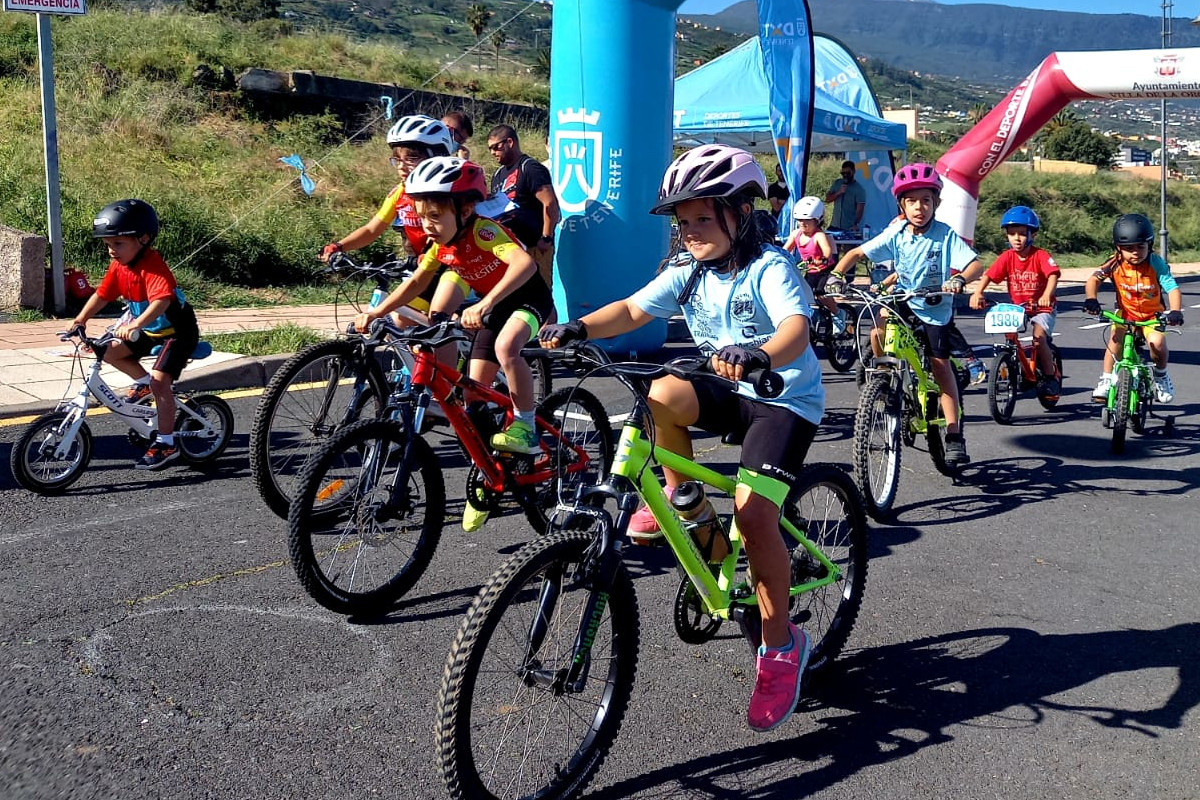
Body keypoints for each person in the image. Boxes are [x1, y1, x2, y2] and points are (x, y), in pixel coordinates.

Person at [539, 144, 825, 733]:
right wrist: (578, 325)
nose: (691, 230)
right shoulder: (687, 272)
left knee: (752, 517)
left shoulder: (770, 266)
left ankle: (780, 647)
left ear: (740, 214)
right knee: (662, 392)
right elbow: (630, 310)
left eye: (703, 217)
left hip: (782, 399)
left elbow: (797, 328)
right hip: (730, 390)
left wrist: (760, 353)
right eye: (683, 220)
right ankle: (682, 497)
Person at [353, 157, 554, 531]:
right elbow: (415, 285)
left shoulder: (483, 232)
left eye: (434, 216)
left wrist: (485, 302)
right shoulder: (439, 247)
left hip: (526, 302)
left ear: (464, 210)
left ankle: (526, 426)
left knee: (507, 348)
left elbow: (524, 265)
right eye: (421, 216)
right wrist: (380, 312)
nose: (426, 225)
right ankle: (488, 477)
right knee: (473, 397)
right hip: (488, 311)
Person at [828, 162, 983, 466]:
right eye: (912, 201)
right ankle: (884, 380)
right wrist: (835, 275)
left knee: (940, 367)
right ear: (902, 204)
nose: (919, 207)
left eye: (926, 200)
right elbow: (856, 253)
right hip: (904, 300)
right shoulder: (897, 232)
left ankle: (954, 434)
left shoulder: (944, 234)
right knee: (877, 330)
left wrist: (959, 280)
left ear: (936, 203)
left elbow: (975, 265)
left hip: (935, 307)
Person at [69, 199, 200, 470]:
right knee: (108, 351)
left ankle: (166, 442)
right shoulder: (120, 266)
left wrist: (136, 324)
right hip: (149, 331)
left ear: (143, 239)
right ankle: (142, 381)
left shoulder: (153, 265)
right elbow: (103, 294)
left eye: (118, 244)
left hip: (177, 334)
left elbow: (161, 301)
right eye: (107, 245)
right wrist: (80, 319)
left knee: (160, 382)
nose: (111, 251)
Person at [320, 114, 457, 325]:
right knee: (402, 323)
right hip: (419, 270)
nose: (402, 166)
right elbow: (372, 229)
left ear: (435, 157)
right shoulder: (399, 193)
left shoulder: (449, 195)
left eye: (411, 158)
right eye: (397, 158)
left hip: (451, 269)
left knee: (427, 323)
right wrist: (339, 247)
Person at [1083, 213, 1184, 403]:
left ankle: (1161, 376)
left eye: (1140, 247)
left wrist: (1176, 311)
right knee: (1115, 341)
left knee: (1157, 344)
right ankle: (1106, 379)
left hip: (1151, 316)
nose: (1135, 252)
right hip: (1126, 314)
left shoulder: (1155, 263)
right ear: (1118, 249)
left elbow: (1172, 288)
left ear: (1150, 245)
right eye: (1128, 248)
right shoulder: (1114, 262)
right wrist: (1091, 299)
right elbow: (1093, 280)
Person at [969, 205, 1062, 399]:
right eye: (1012, 234)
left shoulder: (1040, 256)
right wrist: (978, 292)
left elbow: (1053, 275)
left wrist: (1046, 294)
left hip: (1042, 307)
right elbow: (989, 276)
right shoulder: (1007, 257)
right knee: (1011, 340)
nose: (1016, 238)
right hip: (1019, 308)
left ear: (1032, 234)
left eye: (1021, 233)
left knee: (1038, 339)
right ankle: (1017, 369)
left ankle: (1050, 377)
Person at [486, 124, 561, 294]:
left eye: (496, 147)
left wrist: (546, 237)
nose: (492, 153)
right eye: (490, 149)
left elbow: (550, 203)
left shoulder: (530, 168)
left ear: (510, 142)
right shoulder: (498, 175)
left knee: (540, 295)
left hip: (535, 245)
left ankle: (549, 322)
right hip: (511, 248)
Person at [782, 196, 842, 330]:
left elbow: (827, 250)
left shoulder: (818, 235)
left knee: (821, 293)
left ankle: (838, 314)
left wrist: (823, 258)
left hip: (824, 270)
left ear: (817, 221)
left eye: (807, 221)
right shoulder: (795, 234)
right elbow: (785, 251)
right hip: (810, 270)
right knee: (802, 295)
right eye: (800, 220)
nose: (803, 224)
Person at [825, 159, 866, 233]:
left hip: (849, 228)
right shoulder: (837, 183)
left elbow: (860, 210)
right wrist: (838, 192)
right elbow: (827, 199)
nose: (845, 175)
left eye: (848, 173)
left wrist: (855, 224)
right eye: (843, 173)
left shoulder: (859, 189)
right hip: (834, 226)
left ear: (853, 172)